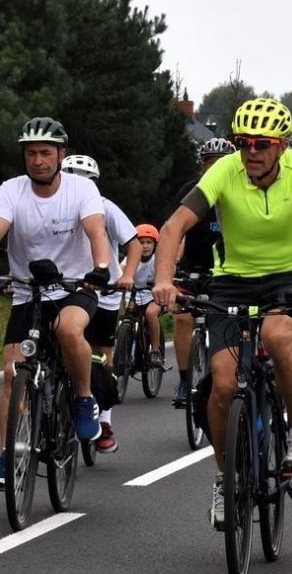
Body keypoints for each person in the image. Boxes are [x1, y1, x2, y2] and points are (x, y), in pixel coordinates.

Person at [153, 97, 292, 530]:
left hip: (288, 275)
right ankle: (225, 478)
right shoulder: (225, 170)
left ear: (281, 147)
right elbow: (173, 227)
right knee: (221, 383)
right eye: (243, 143)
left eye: (261, 144)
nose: (251, 152)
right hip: (232, 280)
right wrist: (164, 280)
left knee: (277, 336)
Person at [0, 117, 114, 487]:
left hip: (76, 287)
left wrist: (100, 268)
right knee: (11, 373)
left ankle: (83, 399)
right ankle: (7, 454)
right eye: (31, 153)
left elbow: (96, 232)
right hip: (28, 291)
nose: (38, 160)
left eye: (46, 153)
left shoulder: (81, 190)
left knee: (68, 329)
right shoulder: (12, 190)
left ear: (61, 155)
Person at [58, 153, 140, 453]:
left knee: (101, 354)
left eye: (86, 181)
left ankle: (104, 417)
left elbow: (133, 243)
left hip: (104, 291)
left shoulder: (106, 208)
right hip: (66, 288)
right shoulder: (55, 206)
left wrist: (128, 274)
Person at [171, 137, 234, 407]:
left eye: (220, 163)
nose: (214, 168)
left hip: (228, 271)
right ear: (202, 165)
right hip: (193, 267)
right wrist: (170, 269)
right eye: (210, 163)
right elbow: (176, 232)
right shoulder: (190, 192)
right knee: (183, 318)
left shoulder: (240, 192)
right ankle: (186, 380)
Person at [129, 223, 164, 361]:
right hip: (135, 295)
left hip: (154, 297)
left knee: (150, 314)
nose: (145, 246)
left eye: (149, 242)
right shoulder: (131, 258)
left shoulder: (158, 260)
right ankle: (124, 344)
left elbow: (165, 273)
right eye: (141, 242)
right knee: (128, 315)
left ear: (155, 244)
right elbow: (121, 269)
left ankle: (155, 350)